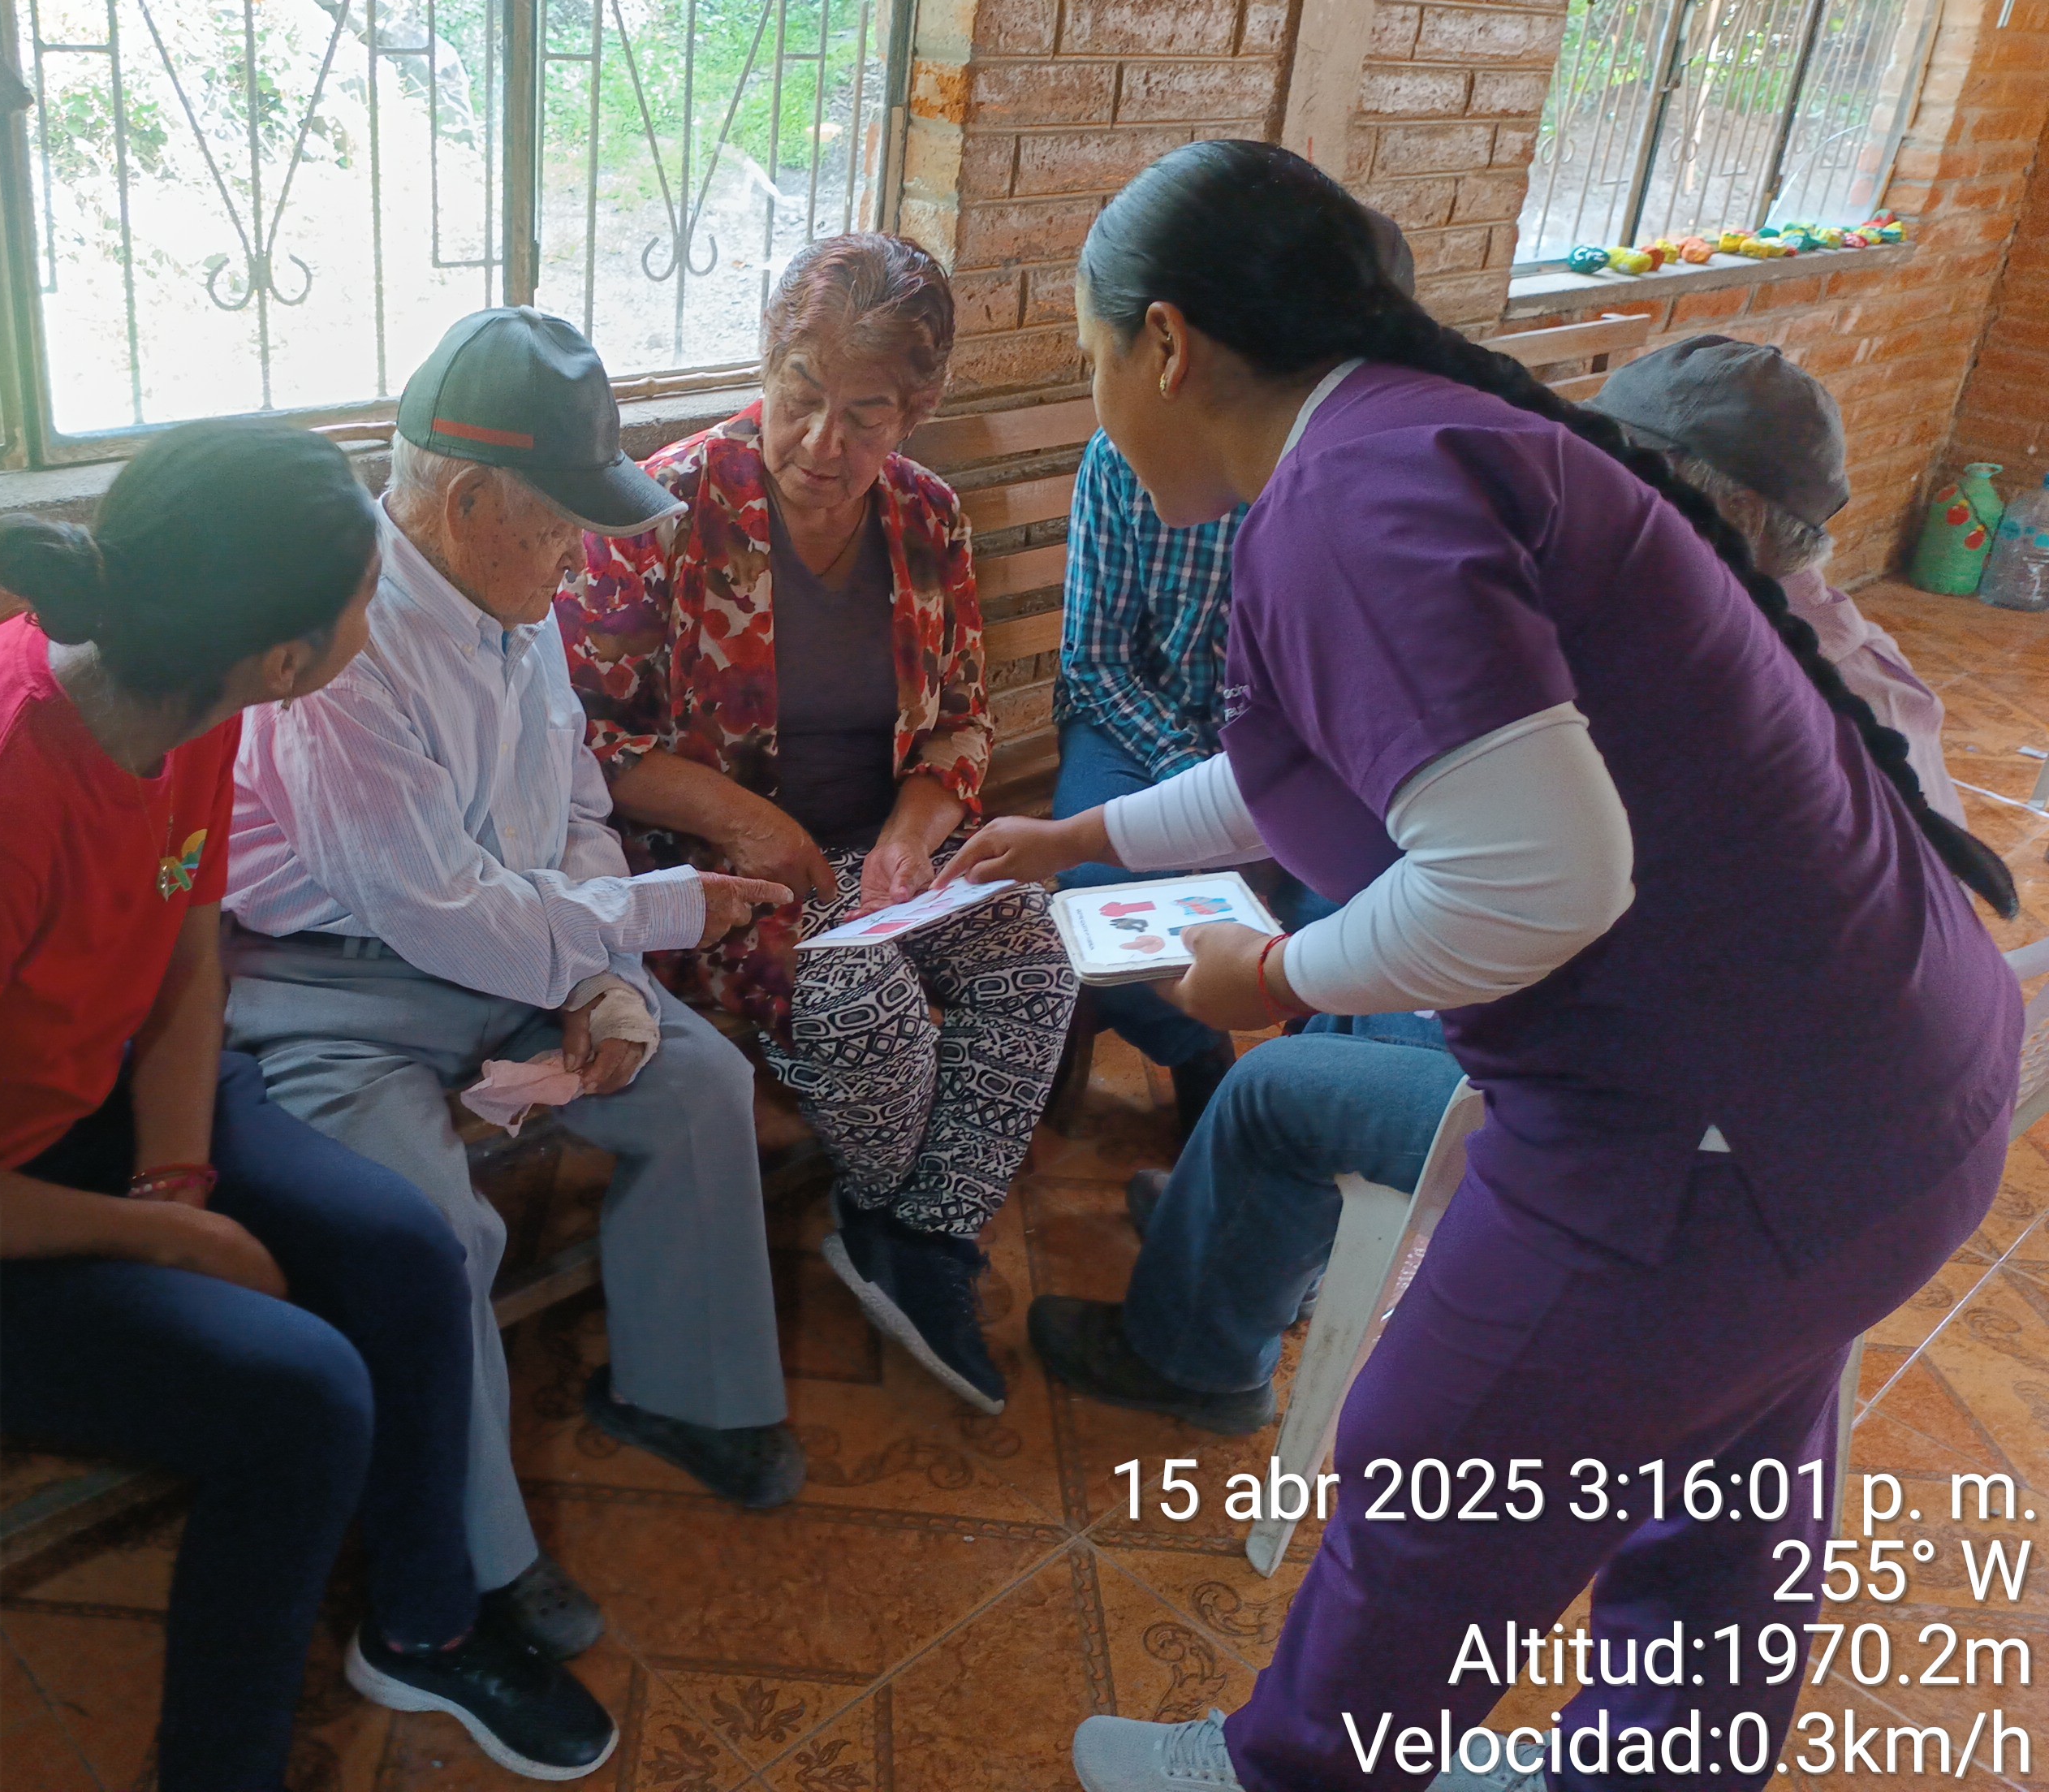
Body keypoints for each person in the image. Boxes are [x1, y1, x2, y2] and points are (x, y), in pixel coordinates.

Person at [936, 140, 2018, 1792]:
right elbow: (1340, 760)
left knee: (1433, 1460)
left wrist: (1274, 975)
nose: (1097, 402)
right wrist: (1078, 837)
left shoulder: (1347, 502)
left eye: (1088, 357)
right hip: (1889, 1099)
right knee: (1717, 1501)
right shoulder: (1399, 446)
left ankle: (1286, 1773)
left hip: (1722, 1134)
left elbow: (1540, 875)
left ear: (1163, 344)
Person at [0, 421, 619, 1788]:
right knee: (300, 1399)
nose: (383, 612)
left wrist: (178, 1182)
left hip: (75, 1117)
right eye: (369, 595)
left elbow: (187, 952)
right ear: (287, 658)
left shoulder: (188, 698)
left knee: (408, 1251)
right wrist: (167, 1238)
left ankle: (423, 1625)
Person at [220, 308, 803, 1665]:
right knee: (431, 1231)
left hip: (515, 946)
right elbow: (430, 906)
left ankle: (682, 1392)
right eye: (556, 527)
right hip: (331, 992)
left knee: (697, 1086)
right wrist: (642, 920)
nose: (577, 558)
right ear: (470, 501)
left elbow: (573, 809)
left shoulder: (508, 598)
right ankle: (475, 1565)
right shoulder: (345, 641)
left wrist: (605, 979)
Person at [558, 232, 1078, 1418]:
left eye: (866, 416)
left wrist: (907, 843)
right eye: (800, 399)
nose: (821, 444)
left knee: (1034, 956)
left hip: (874, 860)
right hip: (716, 870)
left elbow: (960, 725)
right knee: (862, 1002)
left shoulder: (927, 518)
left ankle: (919, 1237)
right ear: (766, 366)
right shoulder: (665, 512)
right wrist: (754, 828)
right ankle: (899, 1225)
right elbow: (590, 740)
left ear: (917, 411)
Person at [1051, 209, 1409, 1132]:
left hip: (1306, 763)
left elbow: (1351, 716)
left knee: (1364, 913)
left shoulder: (1360, 491)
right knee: (1094, 899)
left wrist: (1260, 805)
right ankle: (1201, 1061)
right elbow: (1097, 662)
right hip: (1138, 725)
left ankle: (1301, 1098)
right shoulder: (1124, 459)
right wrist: (1191, 777)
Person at [1595, 332, 1966, 826]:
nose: (1592, 493)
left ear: (1736, 514)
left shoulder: (1749, 703)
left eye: (1625, 477)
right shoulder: (1841, 650)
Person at [1033, 1014, 1460, 1431]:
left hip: (1500, 1120)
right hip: (1499, 1053)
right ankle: (1263, 1266)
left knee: (1271, 1094)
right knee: (1365, 1005)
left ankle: (1199, 1365)